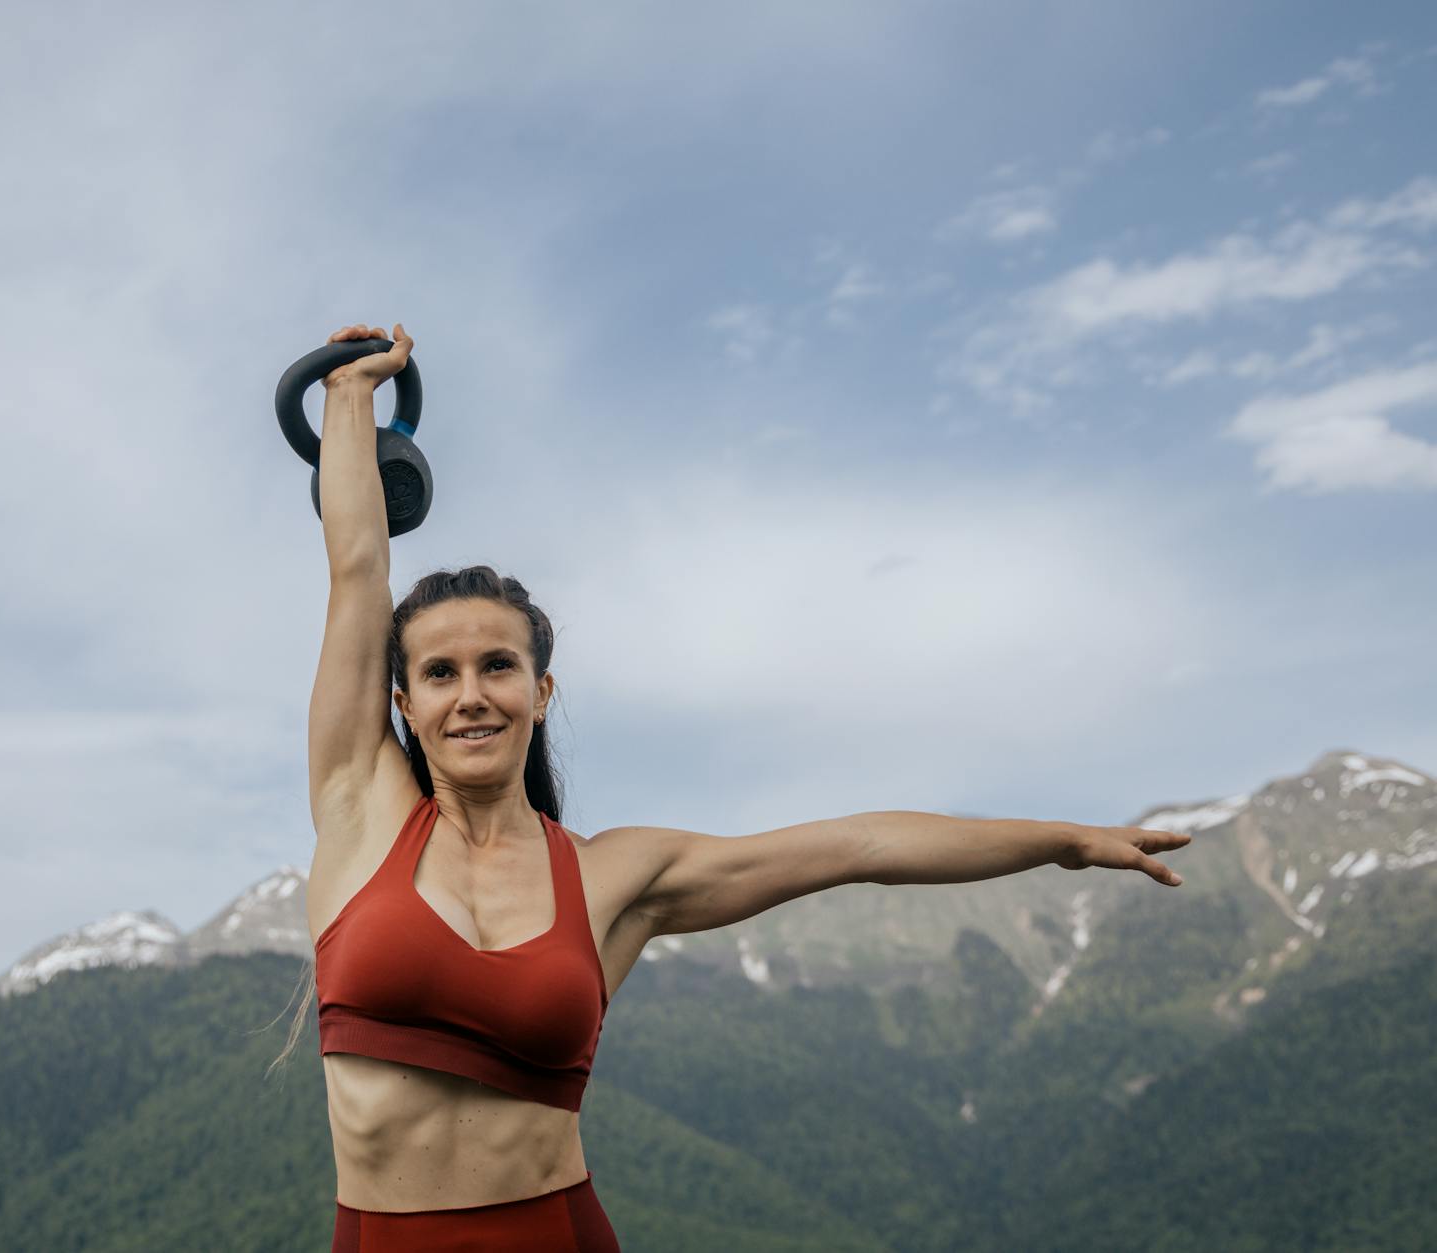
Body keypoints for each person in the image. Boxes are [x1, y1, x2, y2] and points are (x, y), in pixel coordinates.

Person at [274, 321, 1192, 1252]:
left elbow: (855, 849)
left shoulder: (610, 879)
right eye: (440, 673)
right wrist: (350, 393)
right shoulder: (359, 808)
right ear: (404, 700)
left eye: (499, 666)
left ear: (541, 692)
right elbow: (359, 569)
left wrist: (1061, 840)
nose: (472, 695)